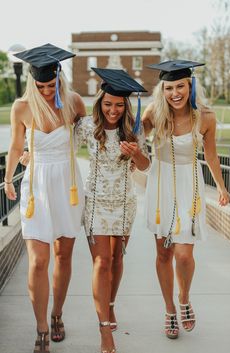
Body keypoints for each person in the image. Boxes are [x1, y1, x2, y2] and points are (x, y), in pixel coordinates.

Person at [4, 43, 86, 353]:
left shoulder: (74, 103)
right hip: (36, 187)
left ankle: (57, 315)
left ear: (59, 78)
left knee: (63, 256)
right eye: (41, 86)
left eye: (51, 85)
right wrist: (8, 176)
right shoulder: (22, 107)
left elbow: (90, 135)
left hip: (67, 185)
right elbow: (14, 146)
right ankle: (40, 328)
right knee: (39, 260)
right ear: (32, 82)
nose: (47, 91)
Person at [142, 60, 230, 339]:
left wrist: (221, 187)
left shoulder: (205, 117)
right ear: (162, 89)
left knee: (183, 254)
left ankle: (184, 298)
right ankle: (169, 310)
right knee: (163, 253)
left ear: (190, 86)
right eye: (169, 88)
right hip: (160, 184)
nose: (175, 93)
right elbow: (133, 136)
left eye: (180, 86)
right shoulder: (155, 112)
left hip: (189, 185)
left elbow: (212, 156)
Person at [75, 68, 150, 353]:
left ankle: (110, 305)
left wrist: (136, 154)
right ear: (100, 102)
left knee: (117, 260)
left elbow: (145, 166)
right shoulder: (85, 126)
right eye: (108, 104)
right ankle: (104, 329)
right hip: (95, 202)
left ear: (126, 105)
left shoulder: (135, 128)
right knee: (102, 263)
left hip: (124, 203)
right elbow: (64, 149)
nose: (113, 110)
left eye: (119, 104)